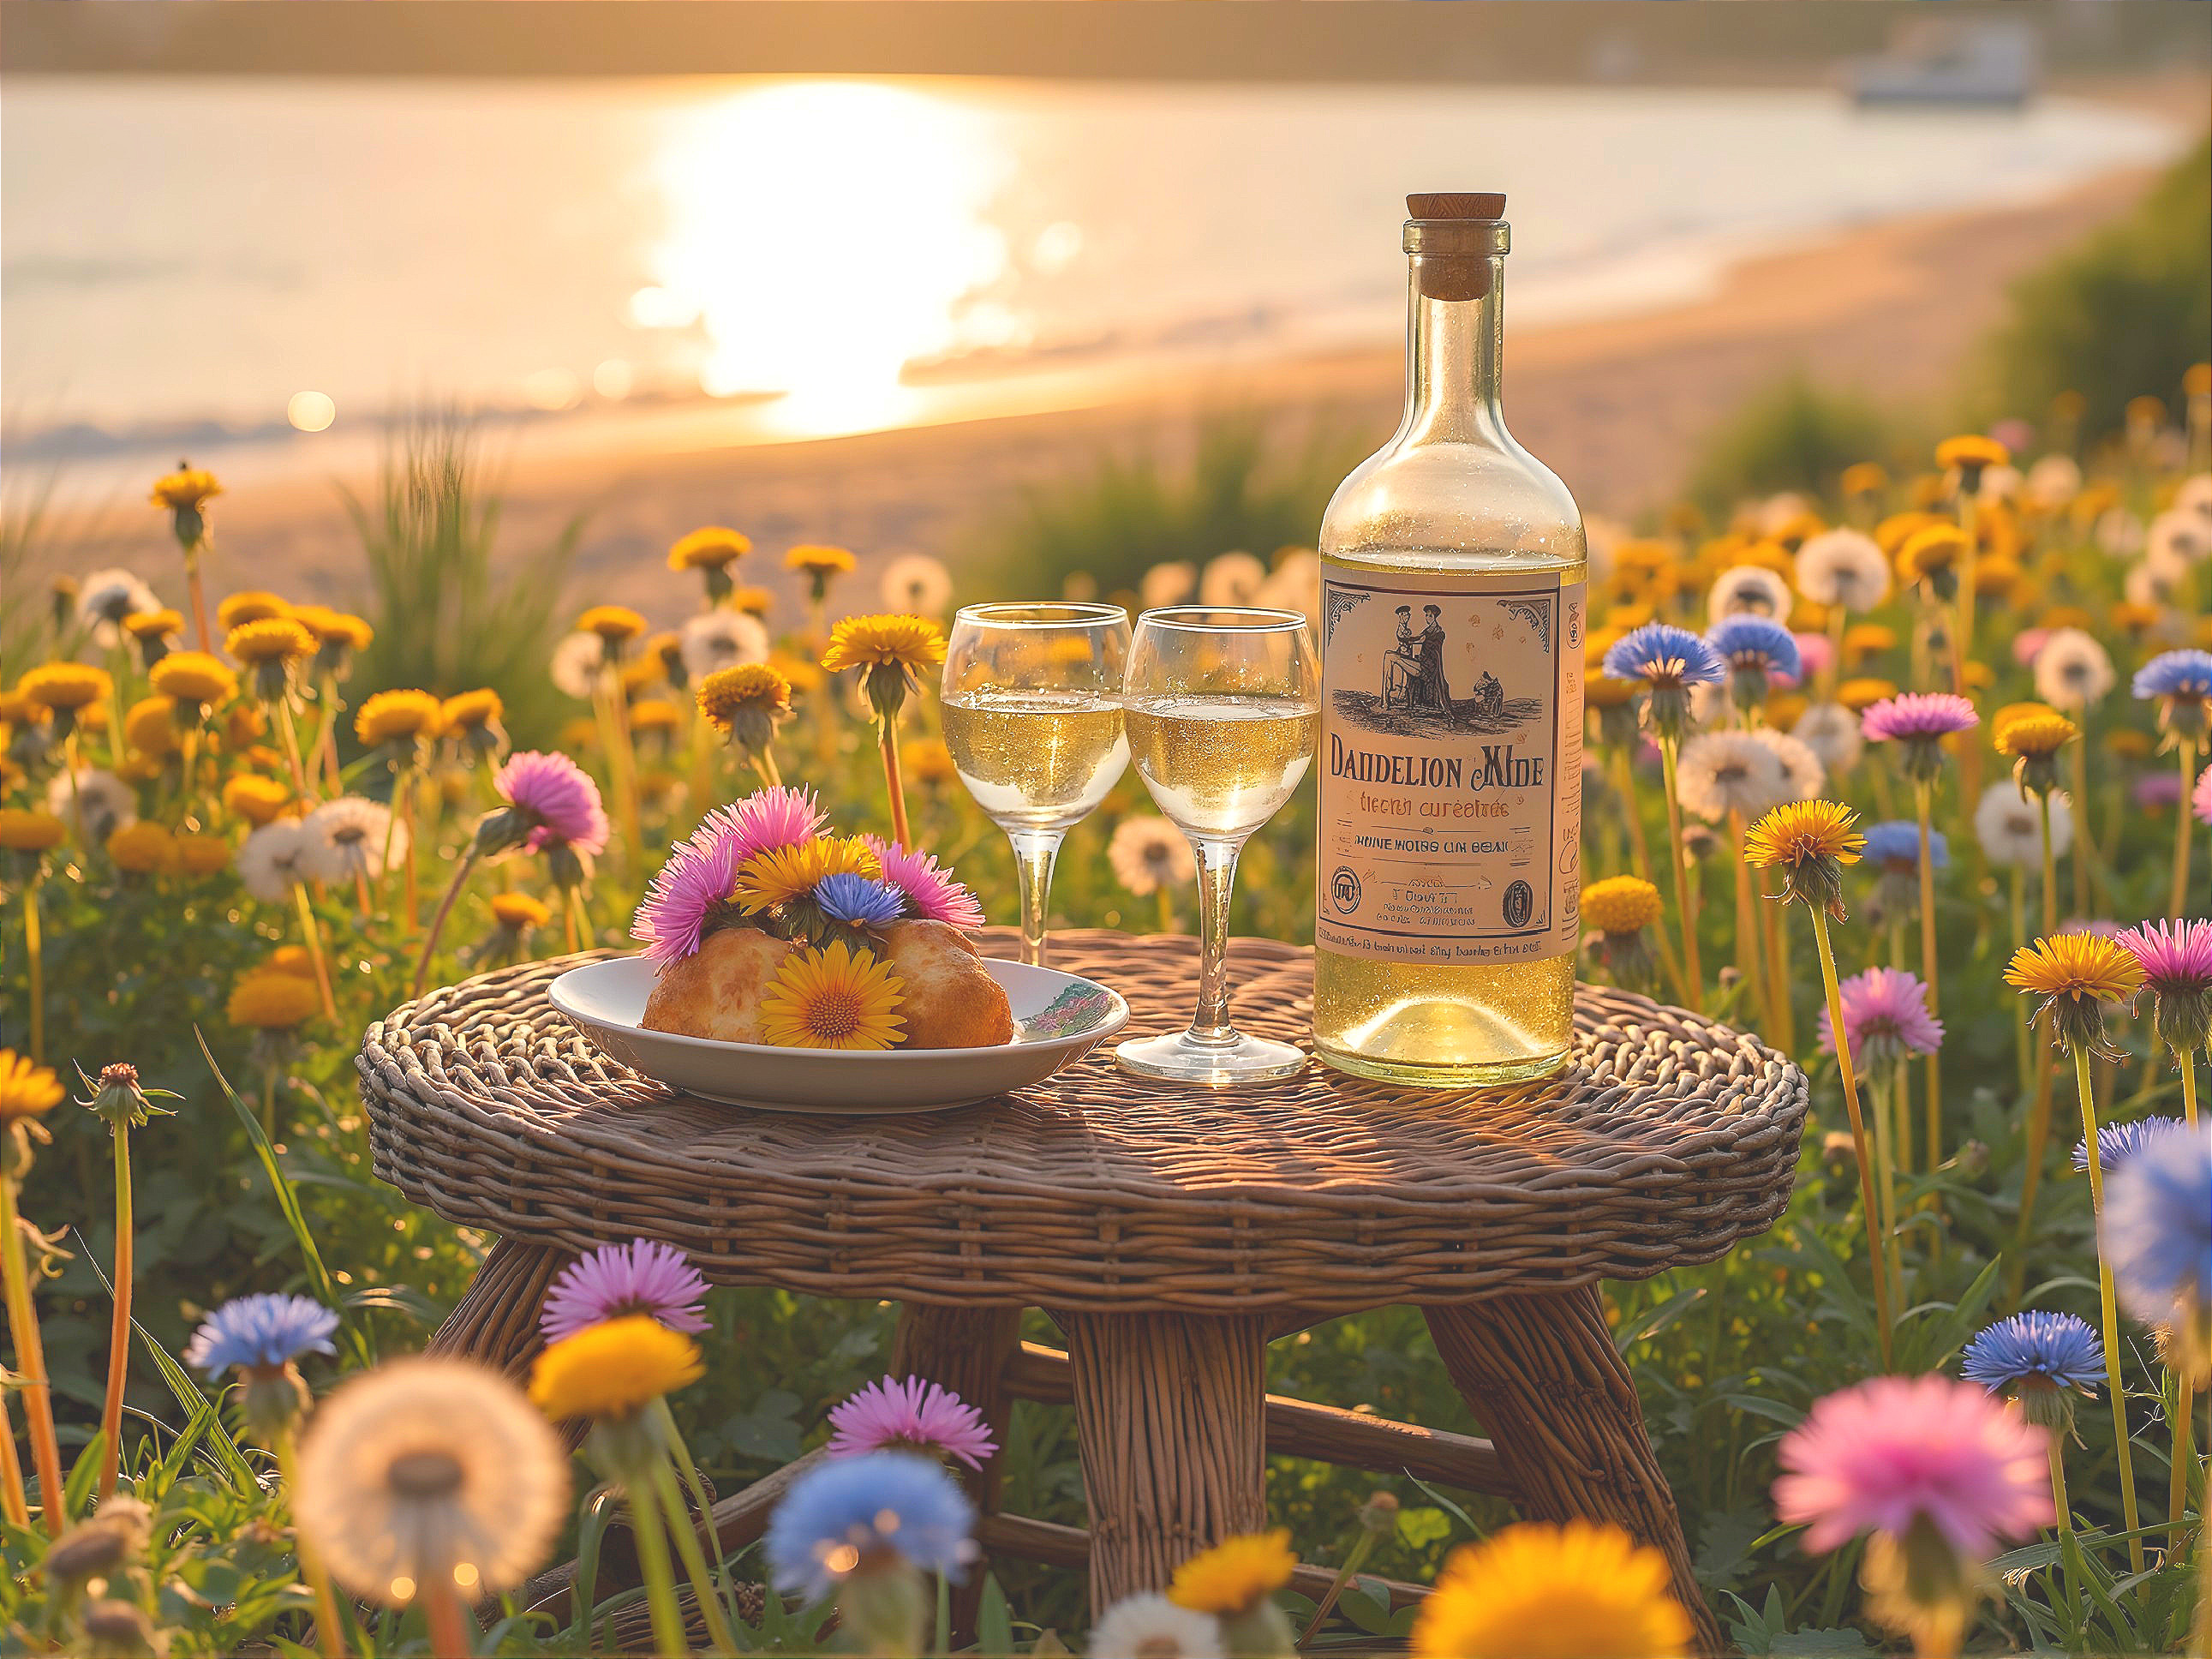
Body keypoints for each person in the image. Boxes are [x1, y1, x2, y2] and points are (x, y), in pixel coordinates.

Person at [1414, 604, 1452, 712]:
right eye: (1426, 615)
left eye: (1430, 616)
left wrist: (1409, 640)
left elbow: (1422, 641)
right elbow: (1419, 639)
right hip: (1425, 659)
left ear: (1435, 617)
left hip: (1431, 662)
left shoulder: (1439, 632)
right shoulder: (1426, 631)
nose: (1427, 618)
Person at [1384, 605, 1419, 710]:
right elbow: (1403, 638)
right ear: (1401, 615)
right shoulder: (1400, 629)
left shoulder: (1405, 628)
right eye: (1406, 615)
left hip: (1407, 655)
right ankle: (1394, 697)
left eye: (1408, 614)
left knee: (1404, 678)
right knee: (1400, 677)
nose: (1408, 616)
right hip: (1402, 654)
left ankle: (1401, 697)